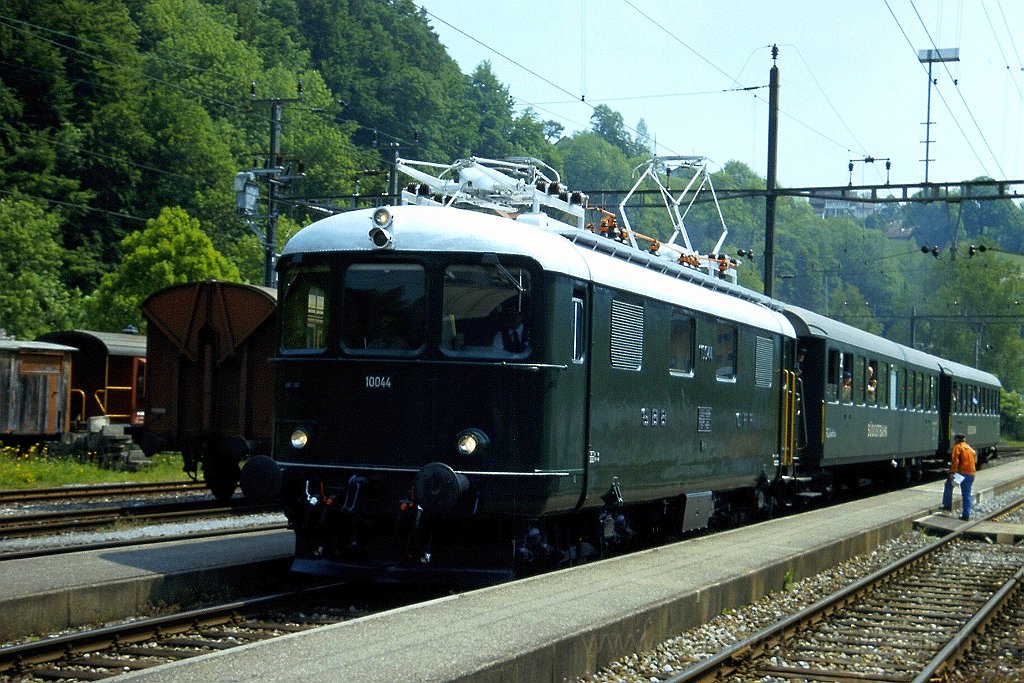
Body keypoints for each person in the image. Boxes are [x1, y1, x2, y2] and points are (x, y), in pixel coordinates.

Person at [941, 433, 976, 520]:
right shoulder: (970, 448)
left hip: (961, 474)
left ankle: (947, 506)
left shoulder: (957, 447)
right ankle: (966, 515)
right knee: (967, 495)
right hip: (971, 474)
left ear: (956, 439)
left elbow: (955, 461)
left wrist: (952, 472)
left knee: (948, 484)